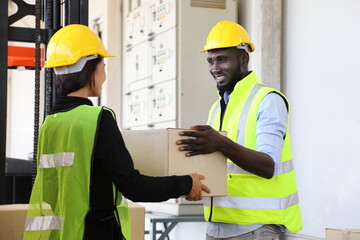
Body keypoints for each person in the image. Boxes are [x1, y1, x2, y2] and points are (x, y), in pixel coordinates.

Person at [23, 24, 210, 240]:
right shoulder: (97, 119)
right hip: (95, 233)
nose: (104, 74)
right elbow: (133, 187)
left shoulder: (50, 123)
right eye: (102, 65)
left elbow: (53, 188)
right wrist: (186, 183)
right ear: (88, 68)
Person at [176, 20, 302, 240]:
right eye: (211, 61)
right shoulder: (217, 108)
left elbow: (268, 165)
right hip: (217, 226)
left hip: (255, 228)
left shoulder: (268, 100)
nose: (214, 68)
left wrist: (221, 143)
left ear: (244, 59)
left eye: (222, 60)